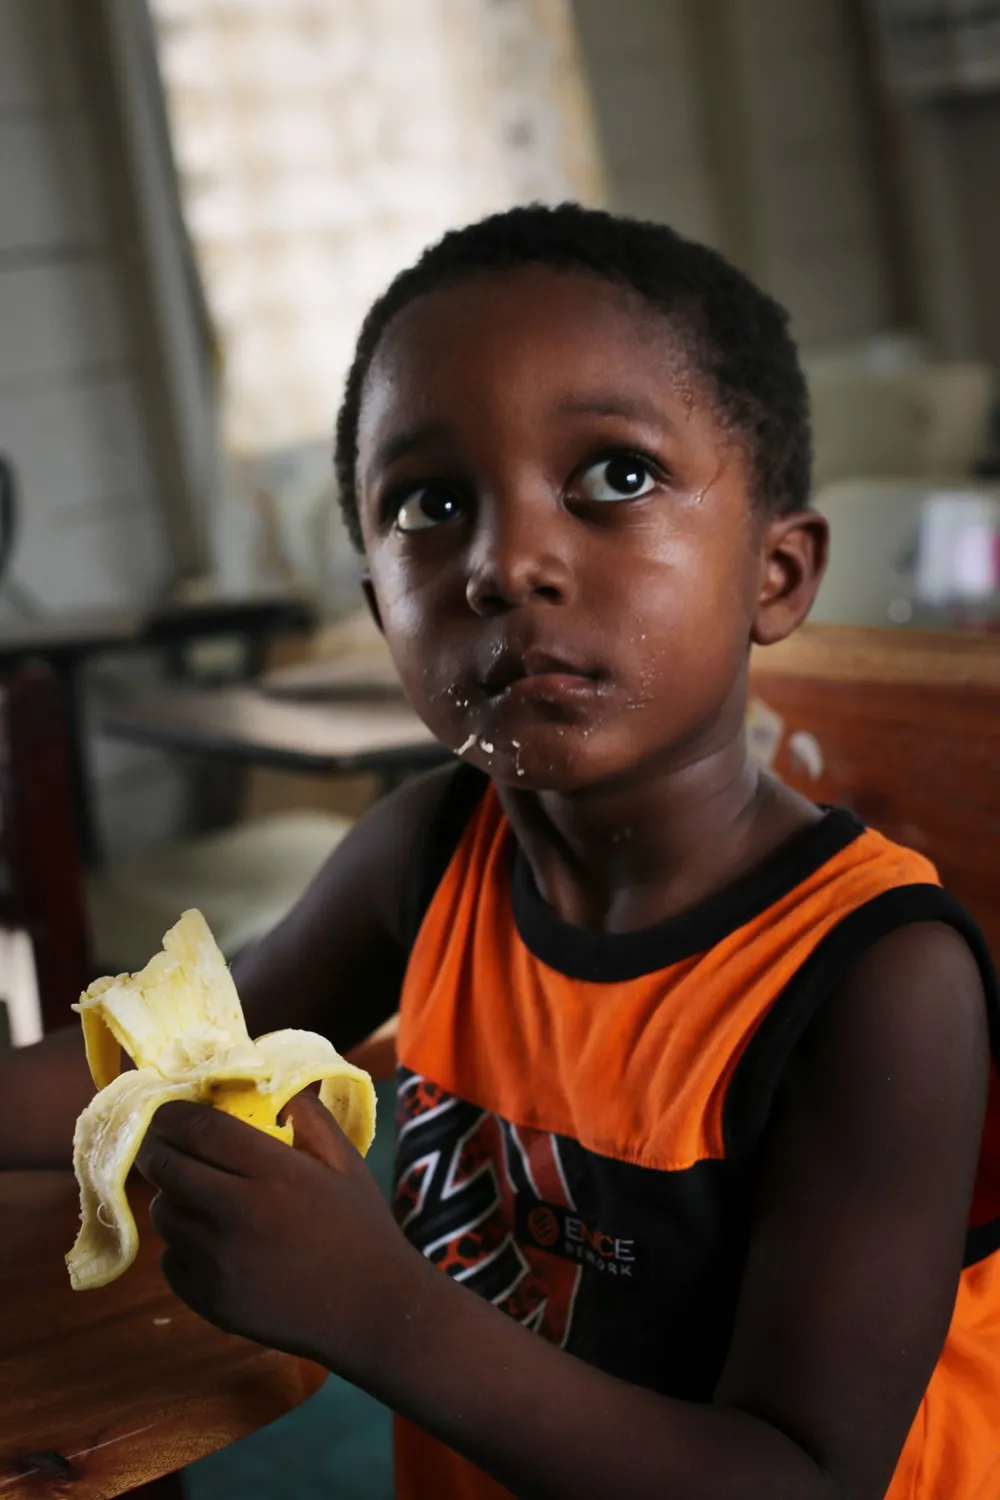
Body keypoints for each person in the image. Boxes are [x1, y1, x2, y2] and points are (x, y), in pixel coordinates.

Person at [3, 204, 999, 1500]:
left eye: (617, 477)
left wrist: (377, 1308)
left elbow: (801, 1477)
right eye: (430, 502)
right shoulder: (428, 853)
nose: (508, 561)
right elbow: (152, 1058)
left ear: (778, 572)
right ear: (378, 608)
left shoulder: (880, 983)